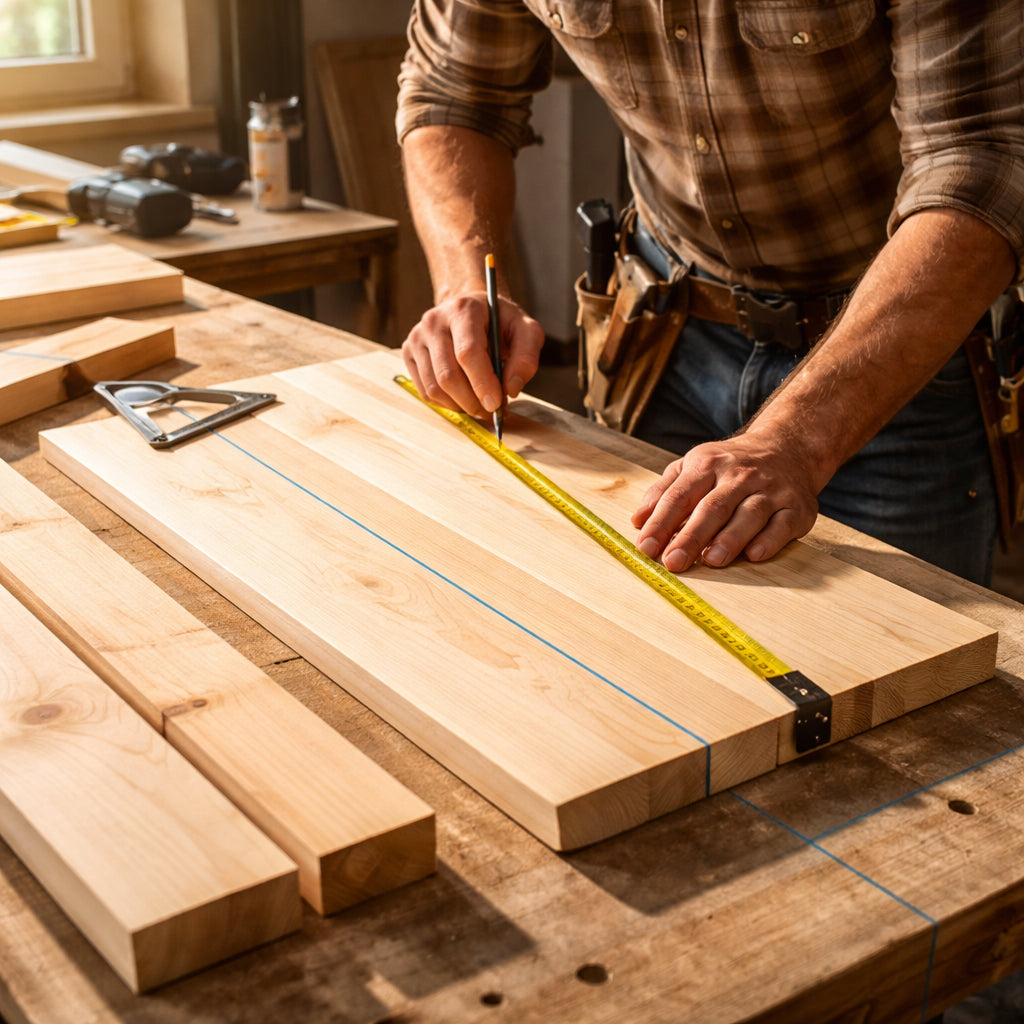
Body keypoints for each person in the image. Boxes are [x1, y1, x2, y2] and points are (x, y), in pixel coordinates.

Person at [395, 0, 1023, 586]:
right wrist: (465, 285)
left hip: (894, 354)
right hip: (664, 334)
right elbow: (455, 91)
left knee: (897, 672)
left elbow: (983, 159)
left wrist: (796, 437)